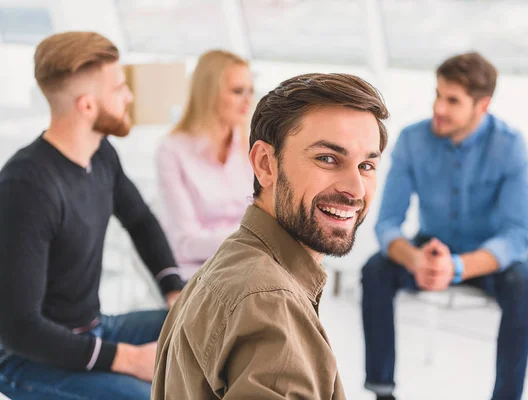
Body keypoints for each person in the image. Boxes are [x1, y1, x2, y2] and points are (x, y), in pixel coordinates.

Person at [151, 73, 389, 399]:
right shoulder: (268, 301)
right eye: (328, 159)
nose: (355, 189)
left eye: (366, 165)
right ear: (265, 164)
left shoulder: (233, 265)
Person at [0, 31, 184, 400]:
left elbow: (140, 221)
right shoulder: (26, 187)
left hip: (95, 330)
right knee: (142, 393)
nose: (129, 96)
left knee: (206, 322)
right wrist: (128, 359)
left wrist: (174, 291)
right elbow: (18, 329)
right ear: (87, 106)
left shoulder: (101, 155)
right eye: (119, 89)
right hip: (28, 360)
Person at [361, 52, 528, 400]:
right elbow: (387, 223)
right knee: (375, 270)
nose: (438, 108)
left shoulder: (510, 146)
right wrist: (414, 259)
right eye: (438, 94)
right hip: (429, 247)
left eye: (452, 100)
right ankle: (382, 391)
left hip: (485, 255)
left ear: (482, 105)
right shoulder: (412, 140)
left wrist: (456, 267)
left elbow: (517, 235)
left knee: (522, 279)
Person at [155, 50, 254, 280]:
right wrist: (253, 239)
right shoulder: (172, 151)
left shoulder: (252, 147)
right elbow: (186, 243)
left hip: (251, 263)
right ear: (209, 93)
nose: (248, 100)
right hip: (200, 272)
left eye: (250, 91)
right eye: (238, 91)